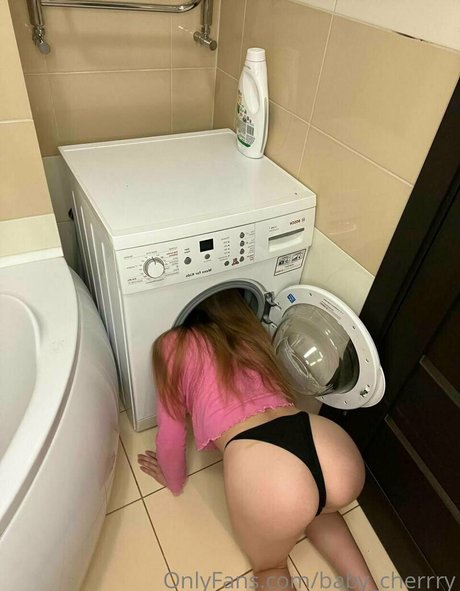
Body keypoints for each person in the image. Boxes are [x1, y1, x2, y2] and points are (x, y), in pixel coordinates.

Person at [137, 289, 378, 591]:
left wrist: (172, 479)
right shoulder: (250, 331)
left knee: (270, 567)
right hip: (326, 443)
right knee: (321, 509)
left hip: (266, 469)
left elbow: (171, 435)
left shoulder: (171, 345)